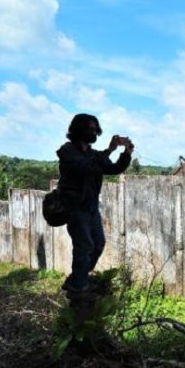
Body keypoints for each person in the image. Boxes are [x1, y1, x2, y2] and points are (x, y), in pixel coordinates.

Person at [57, 113, 134, 293]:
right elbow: (84, 167)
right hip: (75, 207)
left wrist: (126, 153)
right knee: (84, 245)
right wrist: (109, 150)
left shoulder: (93, 154)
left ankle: (78, 277)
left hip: (91, 207)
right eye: (90, 129)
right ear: (78, 130)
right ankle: (79, 284)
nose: (93, 132)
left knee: (98, 243)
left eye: (95, 129)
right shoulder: (67, 151)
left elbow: (113, 168)